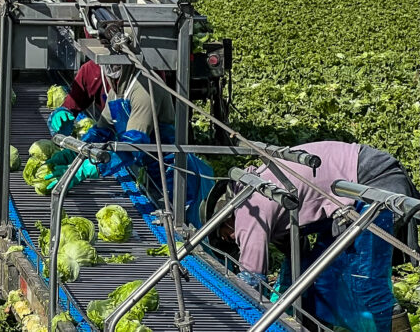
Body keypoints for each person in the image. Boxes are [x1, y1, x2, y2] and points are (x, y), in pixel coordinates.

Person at [202, 141, 418, 332]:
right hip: (348, 191)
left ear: (226, 217)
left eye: (225, 235)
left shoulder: (249, 210)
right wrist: (284, 297)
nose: (232, 239)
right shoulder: (261, 191)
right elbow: (299, 257)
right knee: (320, 279)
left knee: (363, 281)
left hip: (372, 181)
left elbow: (251, 280)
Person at [43, 60, 214, 226]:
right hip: (152, 174)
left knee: (187, 229)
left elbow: (134, 145)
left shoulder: (145, 86)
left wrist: (92, 167)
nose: (110, 67)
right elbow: (103, 132)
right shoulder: (118, 90)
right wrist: (74, 153)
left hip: (176, 177)